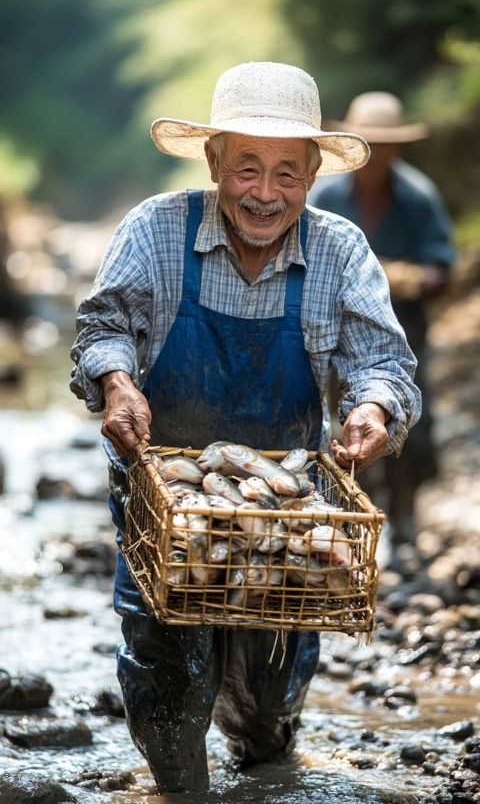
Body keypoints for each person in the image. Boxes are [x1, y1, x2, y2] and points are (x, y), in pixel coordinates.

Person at [70, 62, 421, 793]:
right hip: (165, 503)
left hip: (281, 519)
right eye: (247, 169)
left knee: (271, 688)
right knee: (167, 667)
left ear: (314, 171)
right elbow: (105, 326)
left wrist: (373, 408)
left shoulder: (340, 250)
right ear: (213, 162)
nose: (265, 193)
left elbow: (382, 361)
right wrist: (117, 382)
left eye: (287, 174)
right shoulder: (157, 229)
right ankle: (179, 782)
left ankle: (263, 754)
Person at [309, 92, 454, 563]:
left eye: (385, 145)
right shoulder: (327, 195)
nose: (376, 155)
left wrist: (413, 277)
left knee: (412, 422)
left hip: (405, 331)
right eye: (368, 144)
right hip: (337, 333)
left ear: (397, 150)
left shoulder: (417, 197)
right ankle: (360, 520)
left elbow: (441, 267)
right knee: (348, 423)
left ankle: (407, 519)